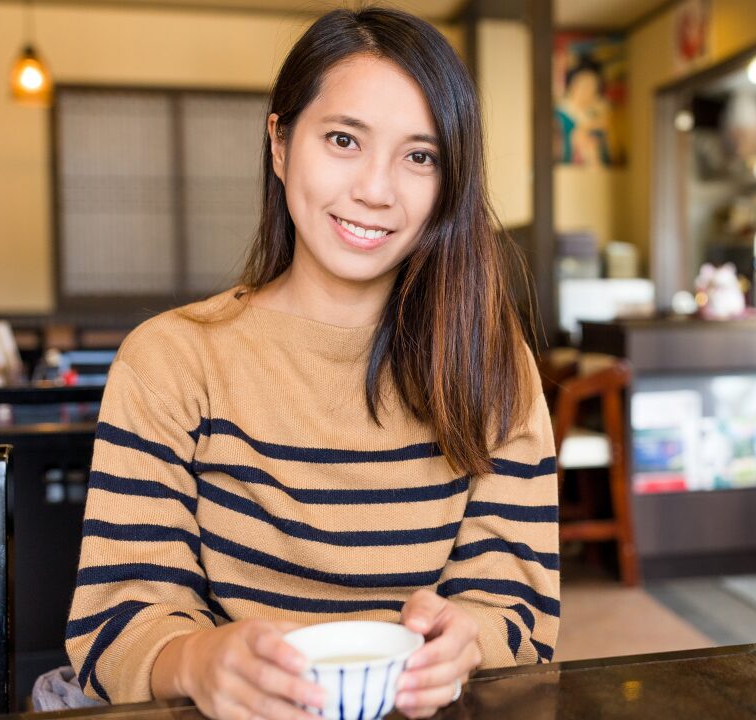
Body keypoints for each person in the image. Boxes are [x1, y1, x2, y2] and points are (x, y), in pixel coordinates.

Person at [64, 8, 560, 720]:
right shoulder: (173, 359)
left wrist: (470, 641)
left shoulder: (490, 363)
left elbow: (516, 610)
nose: (376, 189)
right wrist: (201, 660)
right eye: (342, 139)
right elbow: (118, 622)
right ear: (280, 143)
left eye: (420, 156)